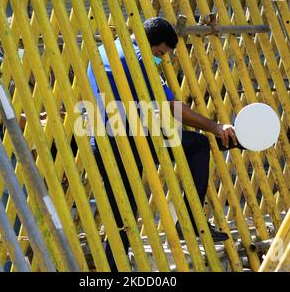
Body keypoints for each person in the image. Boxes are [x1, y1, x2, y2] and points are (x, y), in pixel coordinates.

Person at [87, 17, 238, 271]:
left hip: (104, 139)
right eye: (159, 53)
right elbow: (173, 108)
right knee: (199, 144)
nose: (160, 60)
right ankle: (190, 219)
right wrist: (215, 127)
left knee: (122, 212)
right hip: (129, 139)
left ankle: (114, 270)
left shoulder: (107, 49)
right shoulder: (138, 59)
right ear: (149, 44)